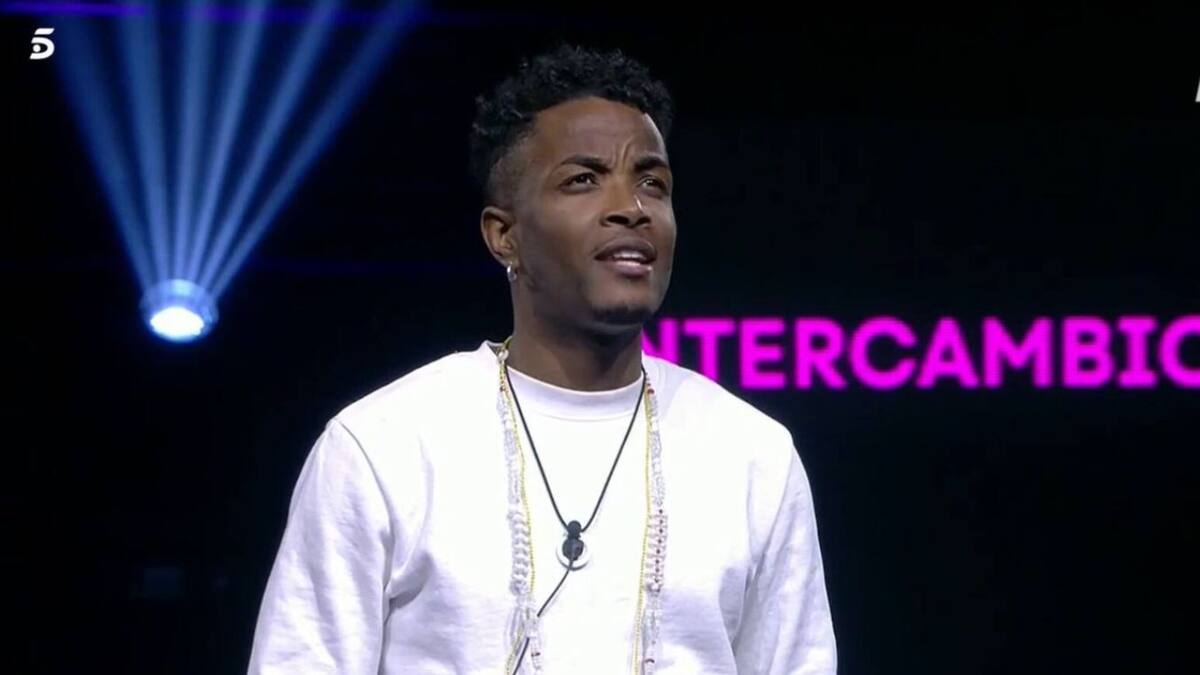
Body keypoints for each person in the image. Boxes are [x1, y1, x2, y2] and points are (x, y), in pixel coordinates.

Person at [247, 44, 837, 674]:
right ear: (505, 236)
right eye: (583, 179)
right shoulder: (384, 444)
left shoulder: (752, 454)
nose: (631, 207)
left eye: (653, 183)